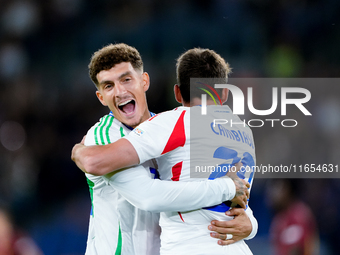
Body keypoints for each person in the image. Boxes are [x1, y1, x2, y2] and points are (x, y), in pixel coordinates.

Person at [74, 43, 256, 254]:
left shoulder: (164, 130)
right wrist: (78, 151)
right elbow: (148, 196)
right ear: (101, 97)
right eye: (108, 86)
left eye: (126, 79)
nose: (120, 91)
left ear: (144, 81)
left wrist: (250, 224)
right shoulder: (105, 137)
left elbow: (223, 183)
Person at [267, 179, 319, 255]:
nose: (273, 193)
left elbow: (306, 247)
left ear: (287, 189)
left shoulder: (299, 214)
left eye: (277, 188)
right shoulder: (278, 218)